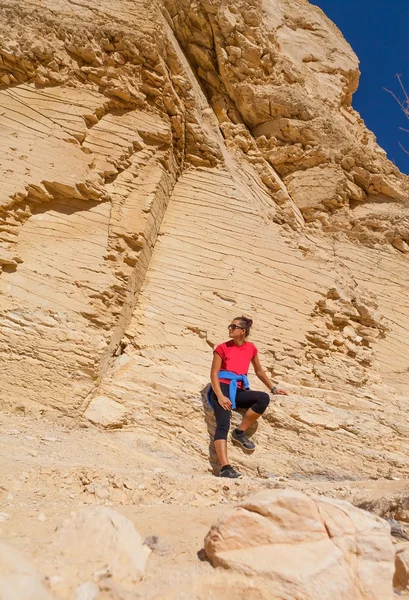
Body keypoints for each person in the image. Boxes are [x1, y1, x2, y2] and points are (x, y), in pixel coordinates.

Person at [209, 316, 288, 478]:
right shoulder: (222, 348)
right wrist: (220, 396)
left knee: (262, 398)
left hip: (238, 389)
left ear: (242, 331)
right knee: (223, 424)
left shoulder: (251, 348)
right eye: (230, 326)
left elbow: (259, 371)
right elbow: (214, 374)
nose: (230, 329)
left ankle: (239, 432)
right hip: (222, 387)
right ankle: (225, 468)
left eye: (233, 326)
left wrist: (273, 388)